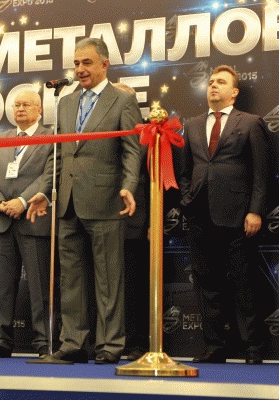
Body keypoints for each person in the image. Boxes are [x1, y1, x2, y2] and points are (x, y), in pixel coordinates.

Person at [28, 37, 142, 364]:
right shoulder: (65, 102)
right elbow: (60, 155)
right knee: (71, 279)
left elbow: (132, 151)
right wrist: (45, 192)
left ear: (105, 64)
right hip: (67, 202)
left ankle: (110, 345)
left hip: (106, 199)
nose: (80, 69)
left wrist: (128, 186)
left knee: (109, 279)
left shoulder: (122, 100)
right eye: (76, 63)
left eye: (87, 63)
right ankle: (73, 343)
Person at [179, 65, 268, 364]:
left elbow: (261, 173)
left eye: (221, 82)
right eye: (211, 82)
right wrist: (187, 200)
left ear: (234, 91)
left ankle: (252, 347)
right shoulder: (192, 124)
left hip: (238, 215)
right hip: (199, 215)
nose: (213, 86)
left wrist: (255, 211)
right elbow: (185, 170)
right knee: (206, 282)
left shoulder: (251, 122)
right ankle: (214, 346)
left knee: (244, 282)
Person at [0, 91, 53, 359]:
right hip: (1, 221)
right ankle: (1, 341)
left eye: (26, 105)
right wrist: (0, 203)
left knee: (39, 287)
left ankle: (43, 342)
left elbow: (49, 175)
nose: (20, 109)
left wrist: (22, 201)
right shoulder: (0, 139)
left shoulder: (51, 138)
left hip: (33, 218)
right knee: (1, 288)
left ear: (39, 110)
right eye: (17, 105)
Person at [111, 82, 150, 360]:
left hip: (136, 222)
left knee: (134, 286)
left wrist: (152, 223)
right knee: (105, 287)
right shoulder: (100, 131)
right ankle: (107, 340)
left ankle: (136, 342)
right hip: (100, 219)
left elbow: (157, 183)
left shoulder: (150, 135)